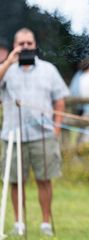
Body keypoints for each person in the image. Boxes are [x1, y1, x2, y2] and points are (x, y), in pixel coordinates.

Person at [0, 28, 69, 236]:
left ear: (35, 44)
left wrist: (56, 129)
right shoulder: (6, 70)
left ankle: (45, 223)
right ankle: (19, 223)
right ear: (14, 46)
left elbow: (60, 101)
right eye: (21, 43)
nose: (25, 47)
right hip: (13, 136)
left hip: (44, 135)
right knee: (14, 181)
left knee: (44, 180)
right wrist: (8, 62)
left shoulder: (48, 70)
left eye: (29, 43)